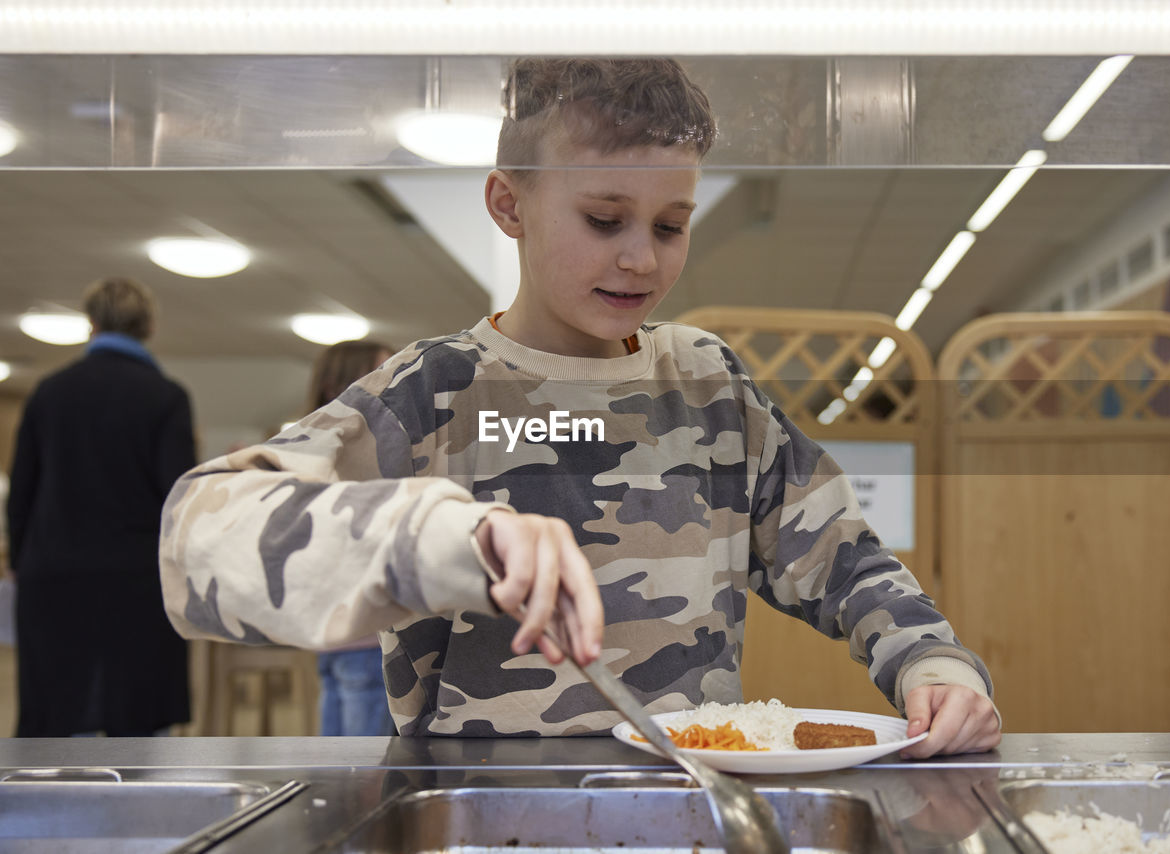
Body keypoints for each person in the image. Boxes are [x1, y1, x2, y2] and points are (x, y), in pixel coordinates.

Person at [160, 58, 1000, 757]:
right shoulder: (435, 389)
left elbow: (846, 561)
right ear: (508, 206)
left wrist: (934, 664)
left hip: (690, 808)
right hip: (477, 815)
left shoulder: (710, 384)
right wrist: (439, 535)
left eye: (671, 226)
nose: (641, 258)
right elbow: (199, 542)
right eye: (605, 219)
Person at [9, 277, 195, 736]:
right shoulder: (165, 397)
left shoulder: (48, 393)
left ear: (89, 324)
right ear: (149, 325)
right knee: (136, 723)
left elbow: (23, 490)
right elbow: (179, 499)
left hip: (52, 575)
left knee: (56, 714)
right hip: (136, 578)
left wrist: (19, 560)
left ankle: (50, 806)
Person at [308, 339, 398, 736]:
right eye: (380, 375)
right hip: (365, 643)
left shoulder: (316, 448)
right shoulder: (357, 451)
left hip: (339, 641)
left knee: (341, 779)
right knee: (363, 783)